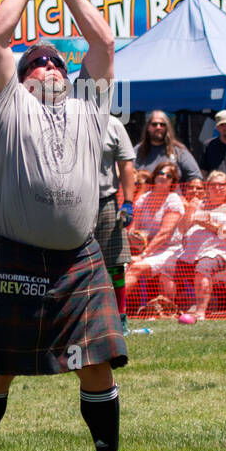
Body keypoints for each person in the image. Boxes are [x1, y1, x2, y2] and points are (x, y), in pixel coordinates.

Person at [0, 0, 148, 451]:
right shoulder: (7, 105)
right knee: (0, 365)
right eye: (36, 61)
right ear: (21, 74)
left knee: (97, 364)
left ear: (71, 74)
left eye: (56, 62)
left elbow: (104, 42)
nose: (48, 67)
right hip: (16, 252)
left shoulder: (91, 105)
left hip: (80, 257)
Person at [177, 172, 226, 323]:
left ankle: (200, 312)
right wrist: (190, 211)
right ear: (207, 187)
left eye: (222, 185)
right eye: (213, 185)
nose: (217, 188)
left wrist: (214, 227)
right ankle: (171, 309)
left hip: (218, 253)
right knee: (170, 268)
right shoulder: (198, 205)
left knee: (203, 268)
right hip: (190, 253)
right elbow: (182, 229)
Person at [123, 162, 187, 312]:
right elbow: (134, 228)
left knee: (135, 268)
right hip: (144, 249)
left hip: (169, 250)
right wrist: (134, 239)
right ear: (155, 175)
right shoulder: (144, 198)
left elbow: (164, 234)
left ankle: (112, 307)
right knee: (122, 267)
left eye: (168, 176)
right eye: (160, 173)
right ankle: (130, 309)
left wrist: (143, 255)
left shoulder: (173, 200)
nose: (163, 177)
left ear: (173, 182)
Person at [94, 115, 136, 333]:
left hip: (106, 201)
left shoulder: (113, 124)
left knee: (115, 263)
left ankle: (120, 317)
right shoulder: (66, 119)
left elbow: (126, 164)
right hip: (70, 202)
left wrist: (128, 202)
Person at [134, 110, 201, 182]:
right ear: (148, 127)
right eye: (154, 124)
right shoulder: (137, 150)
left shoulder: (178, 150)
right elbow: (127, 173)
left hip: (173, 192)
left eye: (162, 124)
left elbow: (195, 176)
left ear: (167, 128)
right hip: (143, 192)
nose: (158, 127)